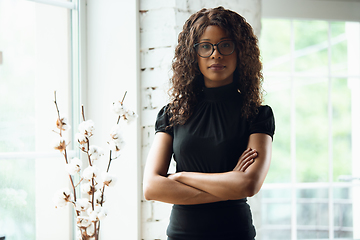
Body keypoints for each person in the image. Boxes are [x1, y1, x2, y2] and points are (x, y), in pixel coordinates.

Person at [143, 6, 275, 240]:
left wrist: (182, 177)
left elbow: (248, 185)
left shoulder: (257, 114)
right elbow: (152, 187)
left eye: (225, 45)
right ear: (193, 55)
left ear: (240, 52)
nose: (215, 54)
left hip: (234, 234)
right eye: (205, 46)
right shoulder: (173, 114)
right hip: (182, 235)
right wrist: (228, 185)